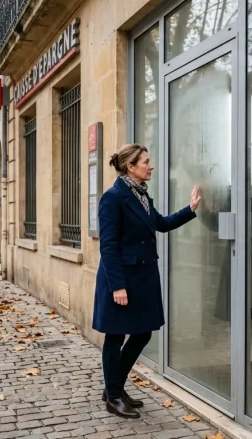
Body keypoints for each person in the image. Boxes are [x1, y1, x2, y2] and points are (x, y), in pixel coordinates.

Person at [93, 143, 201, 419]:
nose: (151, 166)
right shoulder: (113, 198)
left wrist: (189, 209)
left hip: (141, 278)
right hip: (121, 279)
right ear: (130, 166)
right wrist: (117, 286)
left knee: (142, 332)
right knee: (115, 336)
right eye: (146, 161)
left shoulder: (141, 196)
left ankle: (113, 386)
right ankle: (114, 396)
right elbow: (108, 246)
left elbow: (160, 223)